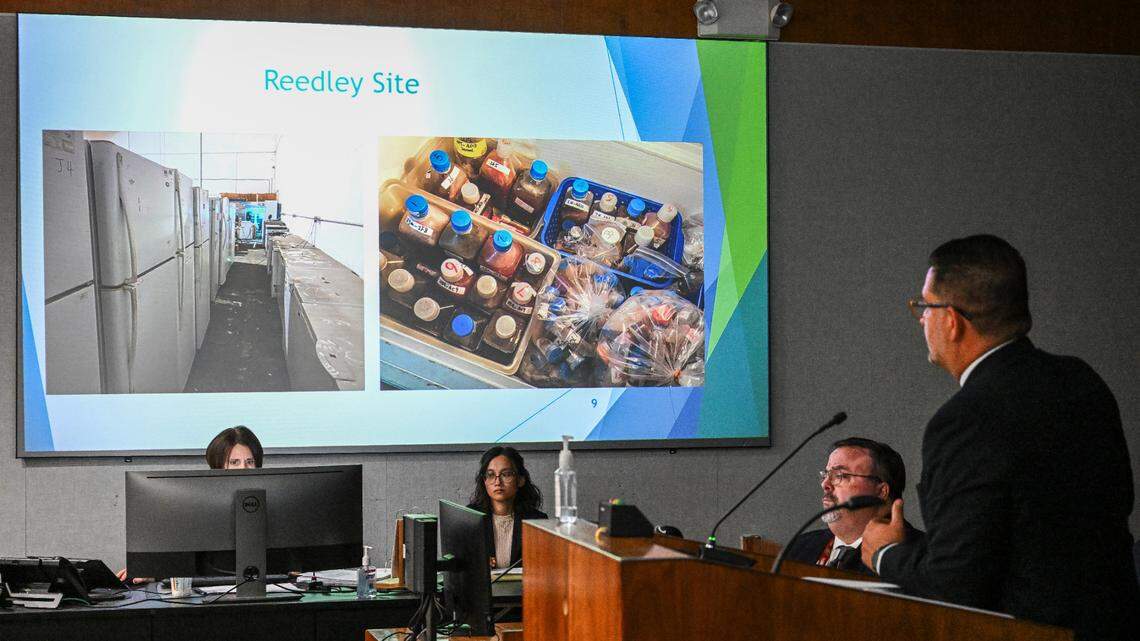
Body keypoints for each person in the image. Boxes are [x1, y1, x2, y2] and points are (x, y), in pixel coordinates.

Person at [861, 234, 1138, 640]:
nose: (921, 317)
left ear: (952, 321)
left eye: (923, 306)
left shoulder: (964, 419)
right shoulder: (1083, 381)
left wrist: (885, 553)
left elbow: (955, 583)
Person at [117, 426, 265, 582]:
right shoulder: (196, 506)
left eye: (250, 462)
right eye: (234, 462)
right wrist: (152, 571)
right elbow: (184, 559)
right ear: (217, 467)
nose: (243, 469)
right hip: (207, 594)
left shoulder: (271, 505)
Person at [783, 437, 921, 574]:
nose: (825, 484)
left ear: (881, 491)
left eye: (840, 475)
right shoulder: (799, 546)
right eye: (826, 474)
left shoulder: (917, 557)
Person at [467, 446, 547, 569]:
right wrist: (476, 564)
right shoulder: (470, 517)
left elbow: (544, 567)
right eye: (490, 475)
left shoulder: (537, 521)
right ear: (484, 481)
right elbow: (461, 562)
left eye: (506, 474)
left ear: (520, 480)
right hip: (482, 587)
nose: (497, 482)